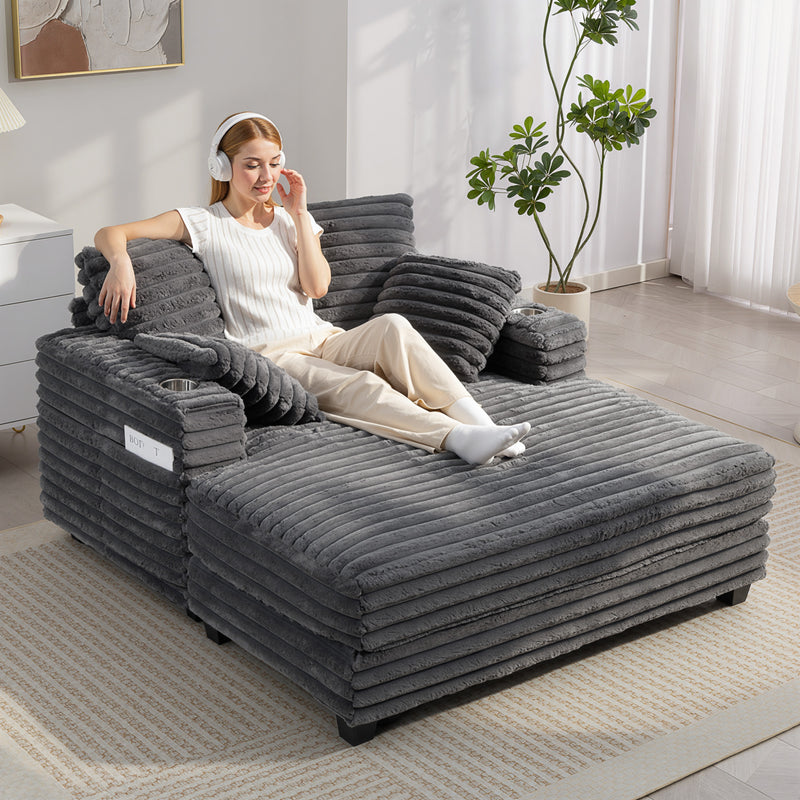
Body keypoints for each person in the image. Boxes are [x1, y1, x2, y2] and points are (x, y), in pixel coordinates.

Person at [96, 112, 530, 464]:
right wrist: (120, 263)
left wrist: (299, 213)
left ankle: (480, 422)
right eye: (252, 164)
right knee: (364, 388)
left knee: (393, 326)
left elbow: (317, 287)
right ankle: (456, 438)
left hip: (324, 338)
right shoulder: (202, 222)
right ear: (223, 167)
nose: (266, 175)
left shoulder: (288, 220)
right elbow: (111, 231)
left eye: (274, 162)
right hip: (272, 353)